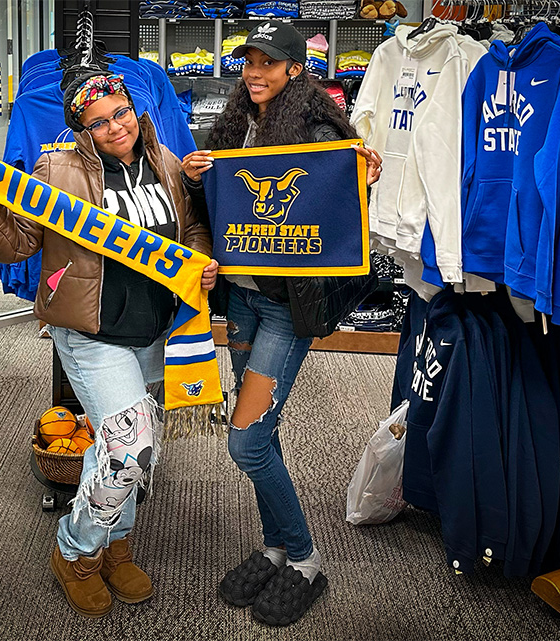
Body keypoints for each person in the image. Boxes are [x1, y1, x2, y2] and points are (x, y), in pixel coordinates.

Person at [0, 71, 216, 618]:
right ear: (81, 130)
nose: (117, 127)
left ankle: (116, 546)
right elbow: (18, 243)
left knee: (136, 450)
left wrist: (201, 261)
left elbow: (192, 228)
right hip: (91, 332)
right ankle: (75, 550)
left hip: (158, 331)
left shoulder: (164, 161)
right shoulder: (56, 168)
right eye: (100, 122)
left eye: (121, 113)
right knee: (129, 446)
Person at [180, 22, 382, 626]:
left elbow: (340, 209)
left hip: (284, 309)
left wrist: (362, 179)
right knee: (261, 435)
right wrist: (195, 179)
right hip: (239, 302)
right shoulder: (230, 125)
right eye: (248, 61)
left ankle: (304, 556)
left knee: (244, 438)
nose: (255, 72)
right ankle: (272, 549)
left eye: (269, 63)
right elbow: (211, 207)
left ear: (295, 69)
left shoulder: (318, 129)